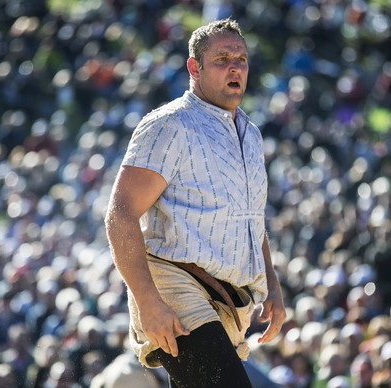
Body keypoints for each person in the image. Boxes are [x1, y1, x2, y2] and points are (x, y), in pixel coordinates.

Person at [105, 18, 286, 388]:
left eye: (241, 58)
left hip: (230, 305)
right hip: (176, 292)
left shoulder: (250, 133)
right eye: (221, 58)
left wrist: (274, 287)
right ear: (194, 67)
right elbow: (120, 215)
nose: (235, 66)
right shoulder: (169, 125)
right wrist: (147, 301)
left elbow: (253, 221)